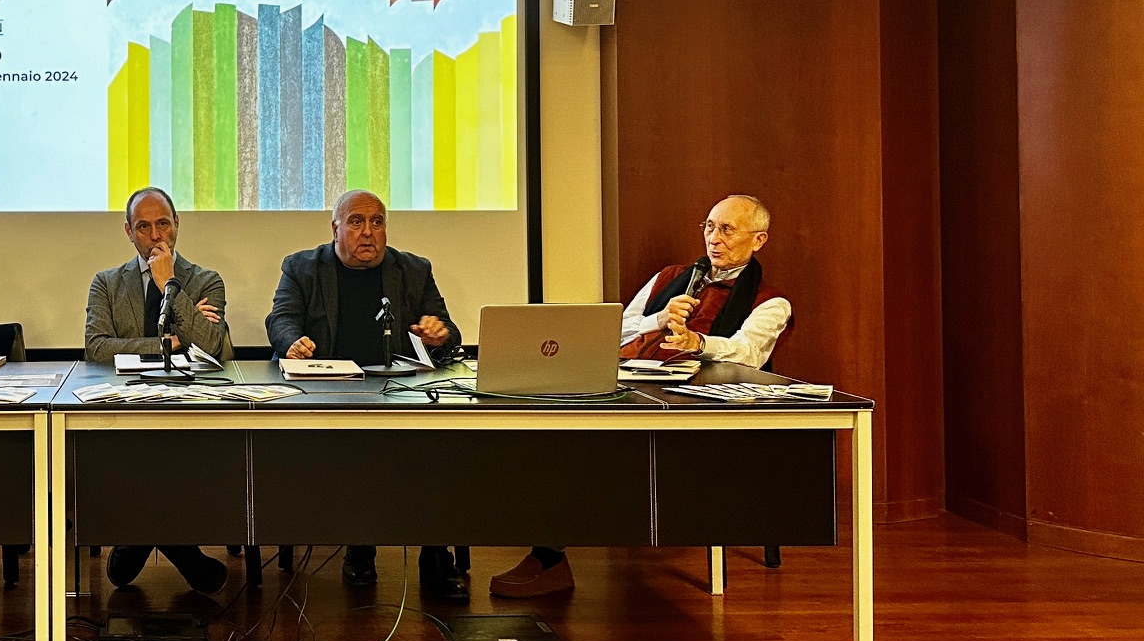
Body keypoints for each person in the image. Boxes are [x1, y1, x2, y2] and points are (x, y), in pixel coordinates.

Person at [490, 193, 794, 598]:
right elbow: (615, 329)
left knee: (579, 446)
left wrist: (698, 342)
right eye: (708, 227)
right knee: (547, 424)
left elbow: (749, 353)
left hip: (691, 411)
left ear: (758, 240)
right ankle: (545, 549)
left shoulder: (772, 302)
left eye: (726, 229)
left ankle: (549, 557)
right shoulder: (670, 278)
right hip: (628, 386)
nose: (713, 239)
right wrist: (659, 319)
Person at [266, 189, 468, 602]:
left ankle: (435, 556)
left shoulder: (412, 269)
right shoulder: (302, 267)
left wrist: (439, 333)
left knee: (439, 443)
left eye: (377, 222)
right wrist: (292, 342)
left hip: (400, 392)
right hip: (329, 393)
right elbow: (281, 318)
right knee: (357, 444)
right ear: (335, 228)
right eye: (356, 222)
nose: (368, 232)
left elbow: (449, 330)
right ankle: (360, 548)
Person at [86, 186, 233, 595]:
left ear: (177, 225)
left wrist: (170, 284)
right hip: (126, 407)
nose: (156, 236)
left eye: (163, 224)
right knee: (137, 451)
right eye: (144, 227)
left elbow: (211, 345)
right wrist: (168, 343)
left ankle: (136, 540)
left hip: (190, 408)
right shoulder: (107, 283)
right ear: (128, 231)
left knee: (175, 452)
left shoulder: (205, 280)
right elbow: (97, 347)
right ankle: (186, 556)